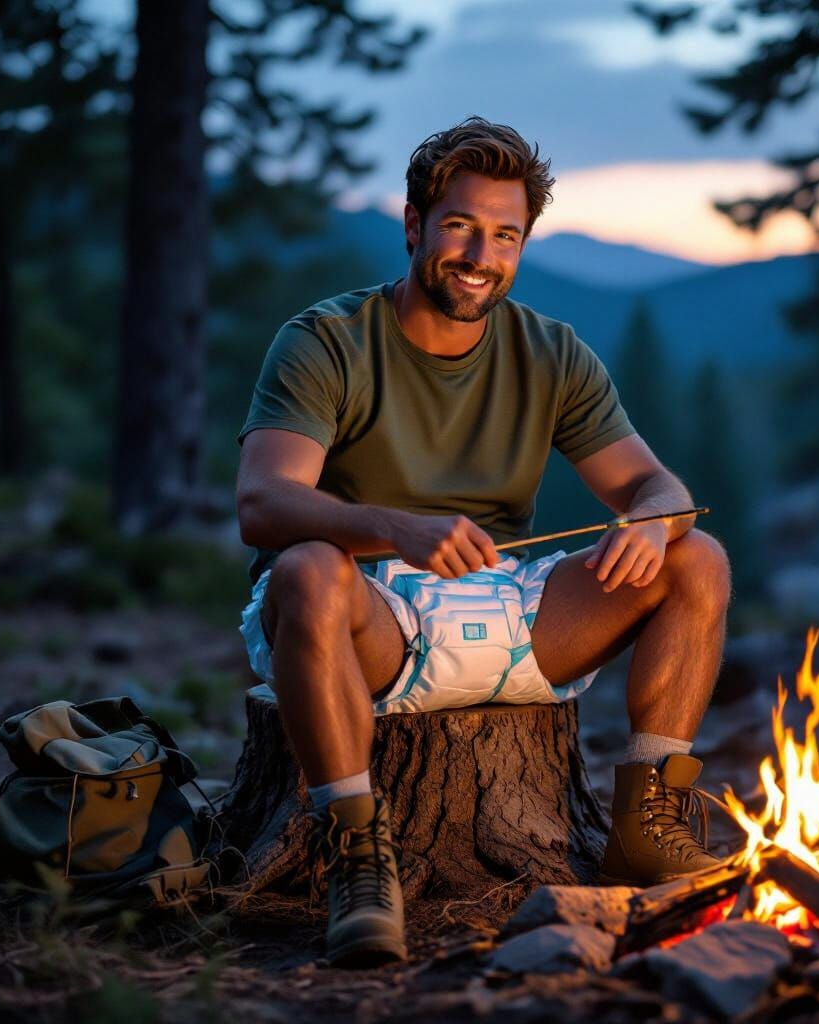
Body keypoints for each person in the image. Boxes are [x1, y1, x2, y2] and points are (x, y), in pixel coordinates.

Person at [235, 116, 731, 968]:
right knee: (308, 569)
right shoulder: (326, 340)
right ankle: (356, 854)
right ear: (414, 225)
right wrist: (392, 527)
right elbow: (264, 503)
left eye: (505, 235)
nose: (480, 253)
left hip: (507, 607)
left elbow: (660, 488)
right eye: (461, 225)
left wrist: (653, 518)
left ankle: (647, 824)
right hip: (369, 613)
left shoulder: (551, 352)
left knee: (698, 558)